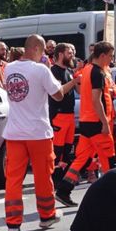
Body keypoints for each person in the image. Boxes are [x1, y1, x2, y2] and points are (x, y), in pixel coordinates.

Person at [1, 35, 76, 231]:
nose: (44, 55)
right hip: (38, 133)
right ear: (36, 48)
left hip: (15, 133)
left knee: (13, 180)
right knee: (43, 177)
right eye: (43, 51)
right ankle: (46, 215)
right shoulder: (41, 69)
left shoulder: (9, 68)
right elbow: (58, 95)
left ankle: (13, 223)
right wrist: (61, 84)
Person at [56, 42, 116, 205]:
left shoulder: (88, 69)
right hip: (96, 123)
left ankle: (63, 190)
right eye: (110, 56)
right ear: (102, 55)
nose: (111, 59)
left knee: (81, 159)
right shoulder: (97, 72)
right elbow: (97, 100)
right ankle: (113, 196)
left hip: (86, 122)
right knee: (109, 160)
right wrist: (105, 123)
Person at [48, 43, 78, 182]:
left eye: (72, 52)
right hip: (58, 115)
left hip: (70, 114)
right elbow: (59, 91)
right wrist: (74, 81)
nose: (72, 54)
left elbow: (77, 90)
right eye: (69, 52)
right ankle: (53, 178)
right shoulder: (53, 71)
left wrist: (78, 79)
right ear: (60, 54)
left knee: (67, 149)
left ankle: (62, 177)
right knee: (57, 150)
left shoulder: (69, 71)